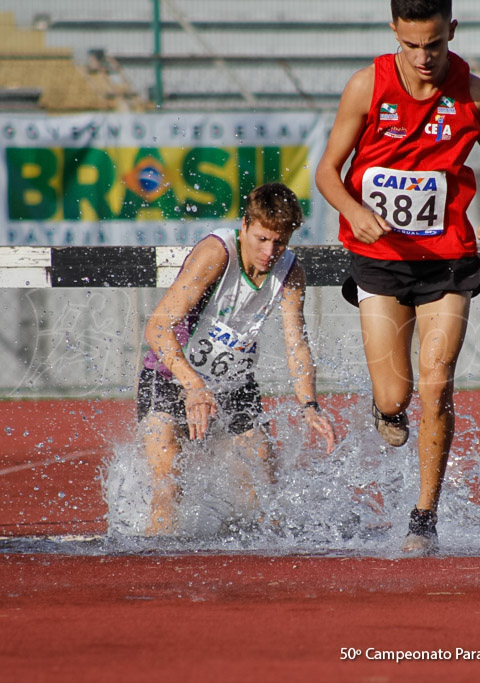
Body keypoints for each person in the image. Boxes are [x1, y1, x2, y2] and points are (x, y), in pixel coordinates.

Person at [315, 0, 480, 553]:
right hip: (380, 258)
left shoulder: (476, 94)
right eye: (411, 45)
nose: (424, 57)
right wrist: (355, 212)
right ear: (395, 33)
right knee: (396, 397)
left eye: (435, 45)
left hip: (448, 259)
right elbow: (328, 171)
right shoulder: (365, 86)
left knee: (437, 380)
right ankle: (385, 408)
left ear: (452, 30)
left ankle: (424, 515)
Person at [137, 182, 336, 535]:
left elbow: (296, 344)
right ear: (244, 225)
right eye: (261, 239)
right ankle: (160, 569)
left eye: (279, 242)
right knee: (168, 484)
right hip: (170, 377)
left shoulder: (290, 273)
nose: (269, 251)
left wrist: (309, 403)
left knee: (262, 485)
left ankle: (250, 566)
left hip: (232, 384)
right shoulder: (217, 253)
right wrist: (194, 386)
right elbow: (156, 328)